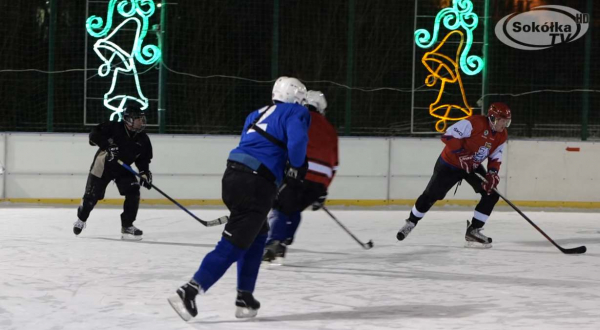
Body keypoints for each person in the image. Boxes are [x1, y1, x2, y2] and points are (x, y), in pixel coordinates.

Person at [168, 77, 310, 321]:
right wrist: (296, 168)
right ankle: (189, 291)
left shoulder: (255, 114)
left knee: (257, 236)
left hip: (233, 175)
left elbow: (249, 143)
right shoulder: (295, 111)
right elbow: (297, 144)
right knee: (233, 244)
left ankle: (245, 298)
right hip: (256, 184)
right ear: (297, 96)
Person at [396, 102, 511, 248]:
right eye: (503, 121)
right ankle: (411, 222)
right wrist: (462, 154)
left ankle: (473, 230)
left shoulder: (502, 135)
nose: (505, 125)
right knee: (431, 195)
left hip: (471, 166)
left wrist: (492, 173)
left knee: (491, 193)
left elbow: (496, 156)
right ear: (493, 118)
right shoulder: (475, 123)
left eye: (507, 122)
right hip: (449, 164)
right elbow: (448, 135)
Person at [262, 90, 339, 264]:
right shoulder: (330, 129)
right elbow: (334, 164)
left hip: (298, 173)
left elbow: (286, 144)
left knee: (280, 206)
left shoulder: (298, 118)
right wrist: (322, 191)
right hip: (318, 182)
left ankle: (273, 242)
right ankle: (284, 240)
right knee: (294, 208)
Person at [72, 104, 153, 241]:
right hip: (104, 165)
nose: (141, 121)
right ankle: (81, 218)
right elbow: (93, 135)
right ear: (128, 120)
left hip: (123, 168)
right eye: (138, 119)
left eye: (141, 118)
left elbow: (143, 160)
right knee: (91, 197)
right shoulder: (113, 127)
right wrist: (108, 146)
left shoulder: (143, 139)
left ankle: (127, 225)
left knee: (133, 191)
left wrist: (145, 173)